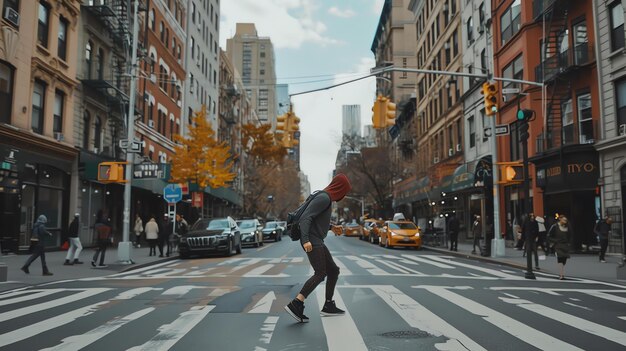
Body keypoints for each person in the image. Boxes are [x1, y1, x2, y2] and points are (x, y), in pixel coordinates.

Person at [284, 173, 351, 323]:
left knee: (333, 270)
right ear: (340, 188)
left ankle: (328, 305)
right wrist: (306, 240)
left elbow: (316, 221)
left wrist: (332, 227)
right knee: (320, 273)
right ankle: (297, 303)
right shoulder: (324, 198)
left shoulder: (326, 199)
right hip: (312, 240)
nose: (344, 195)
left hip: (316, 239)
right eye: (344, 191)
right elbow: (305, 218)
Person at [548, 214, 571, 280]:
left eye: (566, 220)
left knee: (564, 260)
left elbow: (570, 235)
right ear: (560, 219)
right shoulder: (554, 226)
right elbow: (549, 236)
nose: (565, 221)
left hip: (565, 245)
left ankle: (561, 271)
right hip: (558, 245)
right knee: (560, 258)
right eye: (564, 220)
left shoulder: (568, 227)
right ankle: (561, 275)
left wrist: (569, 242)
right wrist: (555, 241)